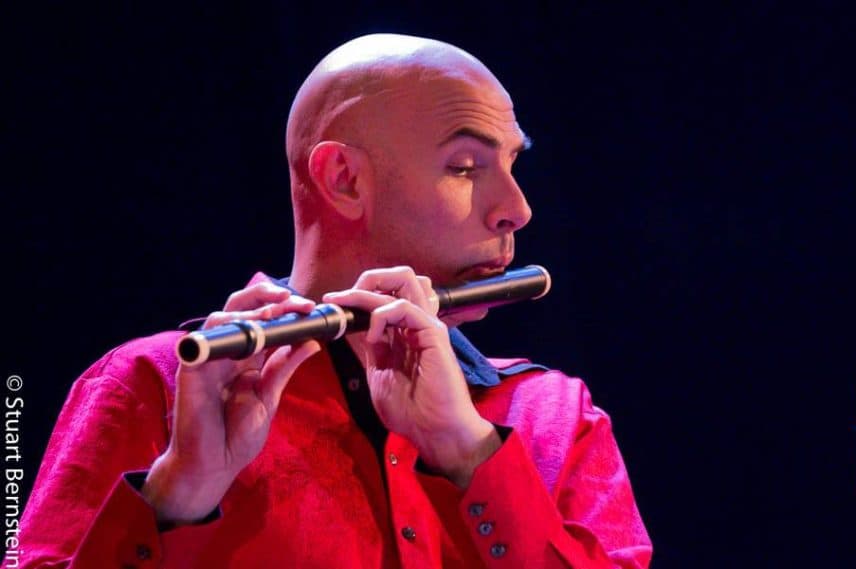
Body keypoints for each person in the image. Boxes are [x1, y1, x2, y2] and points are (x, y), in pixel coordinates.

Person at [18, 34, 652, 567]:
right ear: (344, 179)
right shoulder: (153, 386)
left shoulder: (557, 416)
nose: (516, 209)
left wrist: (472, 454)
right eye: (465, 167)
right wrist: (175, 498)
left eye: (513, 164)